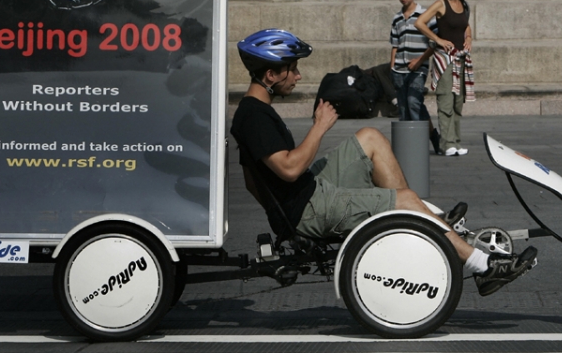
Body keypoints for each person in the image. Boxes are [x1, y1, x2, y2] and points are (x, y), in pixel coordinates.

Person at [230, 28, 537, 297]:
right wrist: (319, 127)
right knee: (404, 198)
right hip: (309, 206)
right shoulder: (255, 117)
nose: (298, 76)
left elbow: (250, 180)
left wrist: (278, 213)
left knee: (370, 137)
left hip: (308, 194)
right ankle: (482, 267)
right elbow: (289, 167)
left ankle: (424, 217)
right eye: (292, 69)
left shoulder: (254, 110)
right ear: (271, 75)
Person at [415, 0, 474, 157]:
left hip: (461, 59)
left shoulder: (464, 5)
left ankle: (455, 142)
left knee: (458, 102)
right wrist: (438, 40)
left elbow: (465, 26)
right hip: (444, 60)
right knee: (446, 101)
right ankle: (446, 143)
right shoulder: (441, 4)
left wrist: (469, 37)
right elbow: (420, 22)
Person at [389, 0, 442, 154]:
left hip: (419, 67)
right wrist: (392, 66)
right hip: (399, 68)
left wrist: (420, 61)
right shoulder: (397, 18)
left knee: (413, 102)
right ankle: (409, 145)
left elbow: (435, 42)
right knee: (404, 108)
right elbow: (395, 45)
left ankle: (427, 139)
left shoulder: (425, 15)